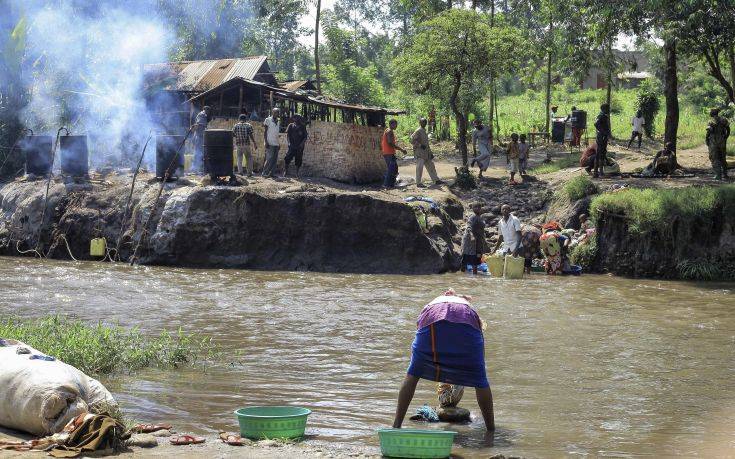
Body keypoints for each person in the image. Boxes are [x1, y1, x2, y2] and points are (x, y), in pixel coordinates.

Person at [392, 289, 495, 432]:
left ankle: (396, 425)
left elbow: (419, 326)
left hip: (431, 322)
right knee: (480, 380)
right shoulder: (465, 305)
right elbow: (479, 335)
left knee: (412, 374)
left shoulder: (436, 301)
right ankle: (491, 430)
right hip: (467, 326)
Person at [411, 118, 441, 187]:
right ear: (420, 123)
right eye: (422, 122)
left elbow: (426, 144)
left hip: (426, 153)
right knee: (419, 168)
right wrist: (420, 145)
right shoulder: (418, 131)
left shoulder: (424, 130)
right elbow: (412, 140)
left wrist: (430, 153)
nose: (424, 123)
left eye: (425, 122)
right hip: (420, 153)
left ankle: (436, 180)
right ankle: (418, 183)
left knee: (431, 166)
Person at [460, 202, 487, 275]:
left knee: (476, 258)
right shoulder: (472, 217)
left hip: (478, 241)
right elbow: (469, 226)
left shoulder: (480, 217)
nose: (477, 208)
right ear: (472, 208)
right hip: (470, 241)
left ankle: (473, 277)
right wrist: (471, 235)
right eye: (475, 207)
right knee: (467, 259)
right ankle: (465, 276)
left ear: (481, 209)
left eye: (479, 207)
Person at [706, 108, 730, 180]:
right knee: (723, 157)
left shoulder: (711, 121)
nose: (709, 113)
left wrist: (706, 140)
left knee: (714, 158)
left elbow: (709, 132)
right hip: (722, 141)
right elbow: (728, 129)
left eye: (710, 112)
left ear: (713, 113)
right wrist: (726, 137)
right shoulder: (724, 120)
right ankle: (725, 174)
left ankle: (718, 175)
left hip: (713, 142)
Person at [381, 119, 407, 188]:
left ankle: (391, 184)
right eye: (395, 124)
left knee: (394, 169)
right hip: (388, 153)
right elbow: (390, 143)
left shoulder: (388, 130)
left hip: (388, 153)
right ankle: (386, 184)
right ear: (391, 124)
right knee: (391, 169)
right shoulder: (389, 131)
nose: (396, 126)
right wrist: (401, 149)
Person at [593, 103, 611, 178]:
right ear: (604, 109)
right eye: (608, 109)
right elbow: (596, 124)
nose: (609, 110)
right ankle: (600, 173)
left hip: (601, 137)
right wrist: (604, 132)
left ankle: (596, 173)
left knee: (598, 154)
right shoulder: (602, 116)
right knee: (601, 154)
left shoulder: (602, 116)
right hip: (602, 137)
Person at [191, 105, 211, 173]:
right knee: (198, 152)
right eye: (208, 111)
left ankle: (198, 168)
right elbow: (199, 124)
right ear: (206, 110)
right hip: (199, 137)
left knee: (200, 152)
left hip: (200, 136)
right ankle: (194, 168)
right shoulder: (202, 114)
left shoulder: (202, 114)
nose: (208, 112)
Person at [262, 108, 281, 178]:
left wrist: (279, 143)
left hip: (276, 143)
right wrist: (266, 142)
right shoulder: (268, 120)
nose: (277, 114)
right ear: (273, 113)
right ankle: (264, 173)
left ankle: (272, 173)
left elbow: (277, 133)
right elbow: (265, 131)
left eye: (278, 112)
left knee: (274, 160)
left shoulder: (278, 121)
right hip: (269, 142)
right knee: (269, 158)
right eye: (276, 112)